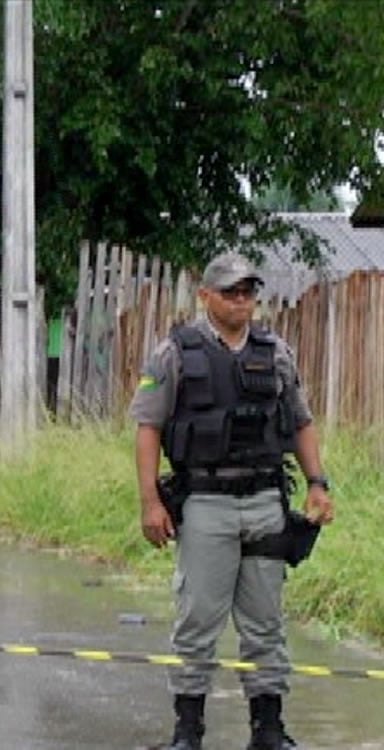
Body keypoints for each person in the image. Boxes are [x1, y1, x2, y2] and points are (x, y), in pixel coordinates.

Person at [130, 253, 334, 750]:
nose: (242, 300)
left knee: (266, 622)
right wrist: (150, 501)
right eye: (231, 291)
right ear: (206, 296)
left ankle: (268, 731)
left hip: (265, 499)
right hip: (205, 503)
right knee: (198, 620)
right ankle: (188, 732)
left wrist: (317, 482)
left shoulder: (276, 351)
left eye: (248, 291)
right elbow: (147, 428)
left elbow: (302, 422)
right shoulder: (174, 353)